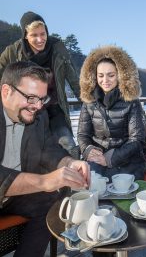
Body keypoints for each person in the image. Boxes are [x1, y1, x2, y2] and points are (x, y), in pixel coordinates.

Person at [0, 61, 90, 257]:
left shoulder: (38, 117)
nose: (38, 106)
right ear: (6, 91)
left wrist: (70, 163)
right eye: (31, 98)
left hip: (14, 196)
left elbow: (48, 147)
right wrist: (44, 181)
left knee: (53, 201)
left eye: (42, 99)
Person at [0, 11, 81, 158]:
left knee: (68, 146)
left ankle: (74, 177)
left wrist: (91, 103)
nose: (40, 39)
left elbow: (74, 80)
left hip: (55, 109)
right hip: (29, 110)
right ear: (25, 35)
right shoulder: (12, 52)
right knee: (31, 153)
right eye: (34, 35)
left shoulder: (58, 48)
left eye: (43, 34)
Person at [78, 45, 146, 180]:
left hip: (127, 159)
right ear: (94, 76)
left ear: (120, 76)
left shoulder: (132, 102)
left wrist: (112, 158)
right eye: (101, 76)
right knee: (92, 186)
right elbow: (83, 134)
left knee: (121, 191)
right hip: (97, 158)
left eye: (111, 75)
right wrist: (88, 150)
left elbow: (137, 139)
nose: (105, 80)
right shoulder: (89, 101)